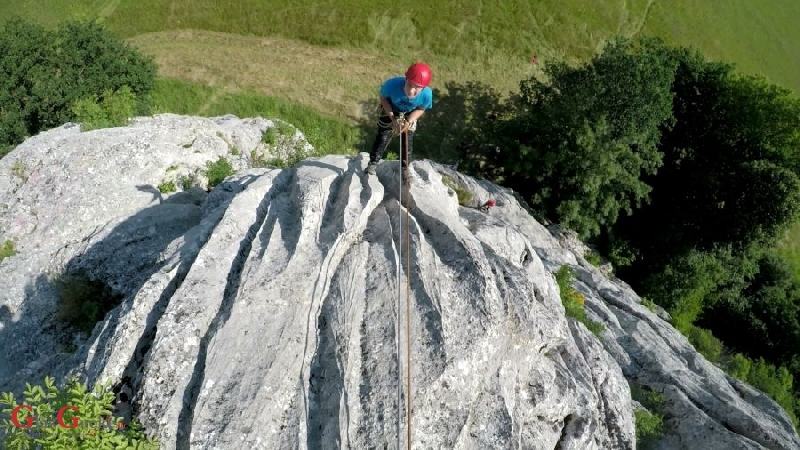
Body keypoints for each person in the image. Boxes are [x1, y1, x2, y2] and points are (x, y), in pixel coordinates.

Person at [366, 62, 434, 180]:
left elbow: (421, 108)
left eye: (417, 87)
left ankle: (405, 168)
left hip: (410, 113)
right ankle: (372, 163)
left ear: (423, 88)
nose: (411, 90)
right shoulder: (391, 85)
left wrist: (408, 121)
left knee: (407, 138)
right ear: (406, 79)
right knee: (384, 135)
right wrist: (392, 118)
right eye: (410, 84)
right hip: (391, 108)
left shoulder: (427, 95)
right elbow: (383, 98)